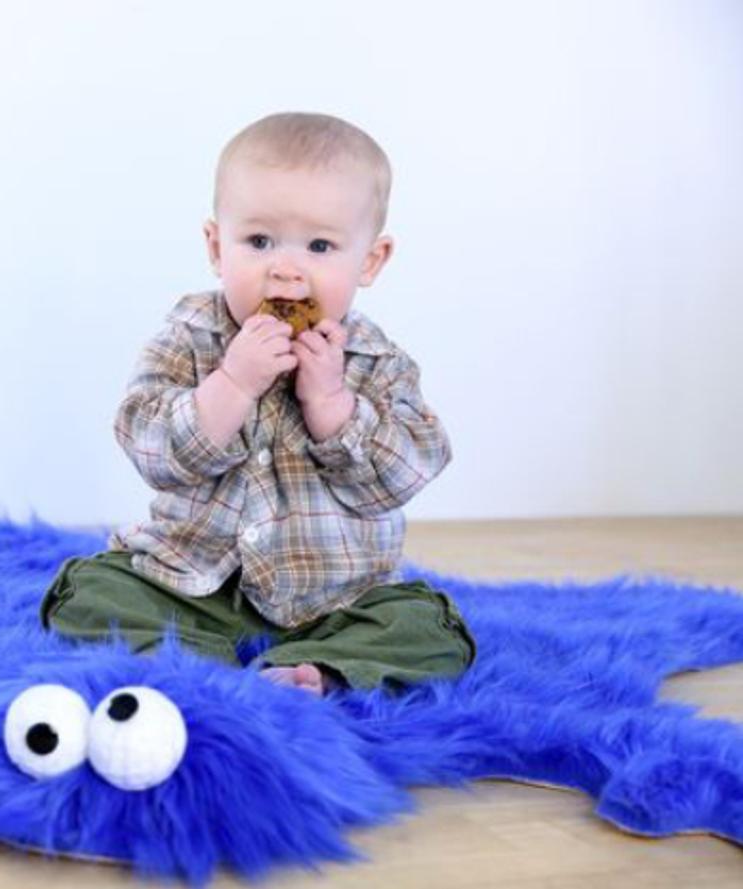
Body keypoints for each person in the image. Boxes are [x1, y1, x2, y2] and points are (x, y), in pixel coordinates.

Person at [40, 112, 475, 695]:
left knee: (430, 626)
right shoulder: (190, 336)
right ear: (217, 247)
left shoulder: (375, 361)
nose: (286, 268)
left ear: (369, 261)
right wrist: (232, 385)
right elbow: (150, 446)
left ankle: (319, 669)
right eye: (259, 241)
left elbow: (405, 474)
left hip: (337, 596)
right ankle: (194, 665)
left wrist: (333, 406)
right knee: (86, 592)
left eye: (320, 245)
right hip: (191, 583)